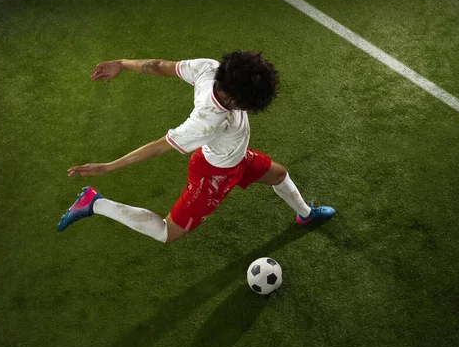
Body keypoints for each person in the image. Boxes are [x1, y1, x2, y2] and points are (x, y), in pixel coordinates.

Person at [57, 51, 335, 242]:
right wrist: (107, 167)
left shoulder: (211, 68)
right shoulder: (206, 121)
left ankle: (306, 215)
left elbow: (160, 66)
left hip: (236, 158)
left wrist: (122, 63)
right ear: (238, 101)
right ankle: (95, 203)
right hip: (212, 174)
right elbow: (157, 147)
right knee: (167, 232)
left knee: (279, 174)